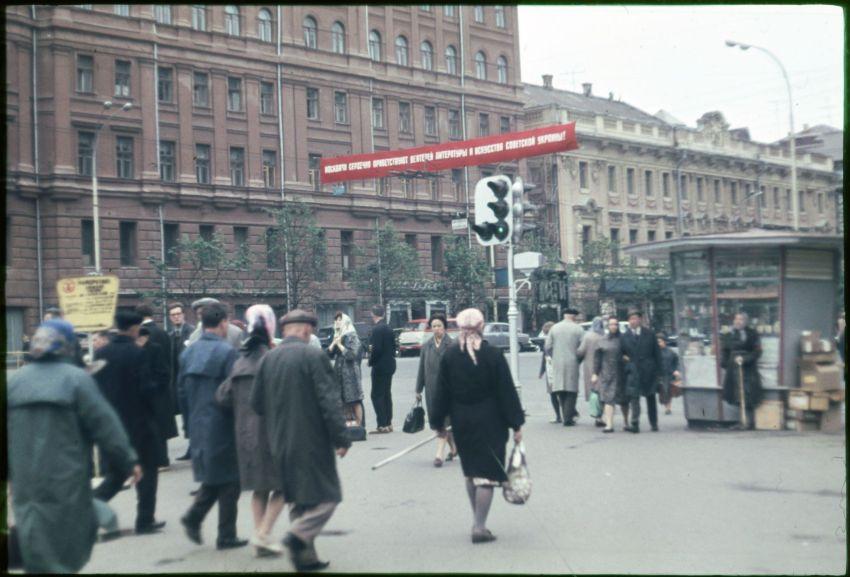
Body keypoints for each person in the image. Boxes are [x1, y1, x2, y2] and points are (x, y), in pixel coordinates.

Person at [8, 319, 141, 574]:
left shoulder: (15, 382)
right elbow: (105, 425)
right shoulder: (77, 380)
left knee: (35, 540)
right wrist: (128, 460)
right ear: (68, 346)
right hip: (66, 479)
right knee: (67, 542)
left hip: (25, 481)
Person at [251, 309, 352, 571]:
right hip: (312, 440)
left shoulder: (269, 358)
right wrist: (342, 438)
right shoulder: (313, 355)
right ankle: (298, 536)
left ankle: (305, 557)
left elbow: (256, 404)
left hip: (279, 440)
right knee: (329, 495)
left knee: (299, 497)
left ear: (285, 330)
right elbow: (329, 401)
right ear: (307, 330)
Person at [429, 308, 524, 544]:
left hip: (462, 423)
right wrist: (517, 424)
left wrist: (438, 423)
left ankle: (477, 521)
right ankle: (479, 526)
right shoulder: (492, 355)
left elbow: (441, 393)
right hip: (491, 422)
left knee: (472, 473)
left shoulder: (450, 356)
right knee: (488, 475)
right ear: (481, 326)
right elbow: (506, 391)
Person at [214, 304, 285, 558]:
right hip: (272, 434)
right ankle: (263, 532)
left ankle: (260, 538)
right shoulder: (274, 360)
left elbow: (222, 397)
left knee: (259, 488)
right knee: (284, 486)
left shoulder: (239, 364)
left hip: (245, 436)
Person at [178, 303, 247, 550]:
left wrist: (188, 422)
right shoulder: (228, 353)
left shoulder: (187, 353)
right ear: (223, 323)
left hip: (198, 421)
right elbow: (234, 391)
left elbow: (181, 391)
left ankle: (195, 519)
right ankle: (224, 534)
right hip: (223, 422)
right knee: (231, 479)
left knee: (216, 476)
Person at [92, 310, 164, 534]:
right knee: (148, 472)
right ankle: (145, 521)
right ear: (134, 328)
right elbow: (146, 390)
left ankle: (86, 509)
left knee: (116, 474)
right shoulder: (137, 353)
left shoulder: (101, 353)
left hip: (111, 423)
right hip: (139, 423)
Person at [137, 304, 178, 469]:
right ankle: (163, 458)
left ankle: (155, 460)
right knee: (161, 423)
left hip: (148, 386)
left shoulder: (140, 334)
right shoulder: (163, 333)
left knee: (151, 424)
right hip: (163, 384)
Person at [415, 313, 457, 467]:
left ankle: (439, 454)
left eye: (439, 325)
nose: (437, 329)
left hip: (448, 390)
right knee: (438, 421)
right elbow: (421, 369)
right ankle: (453, 448)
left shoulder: (452, 345)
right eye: (434, 326)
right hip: (431, 389)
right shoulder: (427, 346)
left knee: (444, 421)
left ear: (444, 327)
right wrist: (418, 389)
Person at [621, 310, 662, 433]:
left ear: (640, 320)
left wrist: (659, 372)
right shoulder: (625, 336)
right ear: (628, 321)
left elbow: (657, 354)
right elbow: (620, 354)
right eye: (631, 319)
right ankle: (635, 423)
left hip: (648, 370)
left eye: (635, 318)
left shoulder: (649, 334)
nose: (633, 321)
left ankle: (653, 423)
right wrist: (626, 362)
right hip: (633, 371)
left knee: (650, 397)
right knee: (634, 398)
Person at [720, 312, 763, 429]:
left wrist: (745, 359)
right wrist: (725, 364)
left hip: (748, 370)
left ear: (745, 321)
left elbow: (757, 351)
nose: (738, 322)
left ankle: (749, 422)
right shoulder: (729, 334)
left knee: (747, 394)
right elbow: (725, 351)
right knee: (736, 394)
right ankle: (741, 421)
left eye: (741, 319)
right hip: (733, 369)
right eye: (736, 319)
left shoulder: (753, 334)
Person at [544, 308, 585, 427]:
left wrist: (554, 356)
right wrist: (578, 359)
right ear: (573, 316)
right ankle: (568, 418)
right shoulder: (578, 329)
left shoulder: (554, 328)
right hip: (572, 362)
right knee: (571, 390)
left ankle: (566, 415)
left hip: (557, 362)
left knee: (560, 389)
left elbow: (548, 346)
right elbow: (583, 348)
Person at [168, 302, 195, 460]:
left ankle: (194, 447)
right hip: (178, 382)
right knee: (185, 416)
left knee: (192, 415)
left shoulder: (191, 332)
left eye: (179, 314)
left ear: (183, 315)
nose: (176, 317)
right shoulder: (171, 335)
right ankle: (191, 446)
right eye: (173, 315)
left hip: (188, 380)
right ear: (170, 318)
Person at [328, 312, 365, 427]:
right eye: (335, 320)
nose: (336, 322)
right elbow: (329, 355)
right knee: (343, 400)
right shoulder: (337, 335)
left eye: (339, 320)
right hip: (339, 373)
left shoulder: (352, 336)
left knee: (354, 399)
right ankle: (348, 424)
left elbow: (352, 355)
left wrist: (340, 345)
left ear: (345, 321)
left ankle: (359, 425)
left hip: (350, 373)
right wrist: (333, 344)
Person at [592, 317, 627, 433]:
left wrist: (627, 358)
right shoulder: (602, 340)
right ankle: (609, 424)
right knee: (608, 399)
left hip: (622, 373)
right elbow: (597, 359)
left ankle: (626, 422)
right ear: (608, 326)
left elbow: (632, 353)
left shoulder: (624, 340)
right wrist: (595, 373)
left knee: (624, 400)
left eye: (616, 324)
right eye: (611, 325)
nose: (614, 327)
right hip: (607, 373)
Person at [368, 304, 397, 434]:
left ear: (373, 314)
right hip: (390, 364)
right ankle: (389, 422)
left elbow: (377, 349)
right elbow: (393, 346)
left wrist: (371, 360)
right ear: (384, 314)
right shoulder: (389, 328)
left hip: (379, 366)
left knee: (376, 395)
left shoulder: (376, 329)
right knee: (386, 393)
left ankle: (382, 424)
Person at [578, 316, 607, 427]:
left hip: (590, 367)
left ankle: (597, 416)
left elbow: (580, 351)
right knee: (603, 391)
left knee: (594, 391)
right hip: (604, 368)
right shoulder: (604, 336)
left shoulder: (588, 336)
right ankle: (603, 414)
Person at [537, 321, 561, 424]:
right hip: (550, 369)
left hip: (554, 369)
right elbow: (544, 357)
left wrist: (542, 371)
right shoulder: (547, 342)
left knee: (556, 393)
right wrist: (541, 371)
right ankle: (559, 416)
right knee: (554, 394)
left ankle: (560, 415)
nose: (546, 335)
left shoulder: (557, 342)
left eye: (546, 333)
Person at [656, 332, 681, 415]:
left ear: (664, 342)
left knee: (668, 391)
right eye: (657, 342)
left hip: (669, 374)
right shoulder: (655, 352)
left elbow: (677, 361)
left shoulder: (670, 352)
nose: (658, 343)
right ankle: (667, 406)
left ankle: (668, 408)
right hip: (659, 375)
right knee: (663, 391)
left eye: (660, 341)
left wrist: (676, 370)